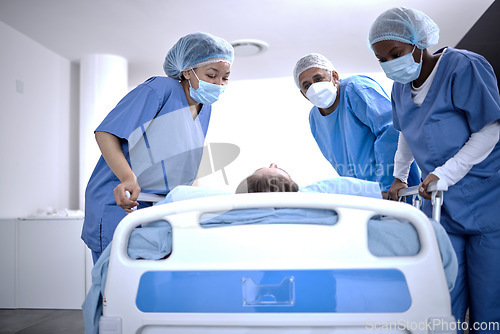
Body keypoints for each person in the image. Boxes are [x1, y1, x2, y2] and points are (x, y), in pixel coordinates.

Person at [368, 7, 500, 332]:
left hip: (487, 202)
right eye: (381, 59)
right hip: (441, 206)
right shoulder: (400, 89)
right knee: (444, 295)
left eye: (395, 54)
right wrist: (399, 176)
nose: (389, 65)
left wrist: (447, 173)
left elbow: (490, 128)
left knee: (489, 303)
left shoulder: (463, 67)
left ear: (418, 42)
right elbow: (406, 136)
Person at [82, 32, 234, 264]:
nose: (218, 84)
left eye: (225, 78)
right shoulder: (160, 89)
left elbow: (186, 161)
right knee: (114, 282)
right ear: (186, 71)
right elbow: (106, 133)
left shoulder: (205, 108)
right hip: (122, 198)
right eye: (211, 75)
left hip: (159, 205)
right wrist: (126, 177)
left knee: (147, 282)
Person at [293, 53, 420, 198]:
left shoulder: (356, 89)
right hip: (366, 196)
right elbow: (339, 162)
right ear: (303, 94)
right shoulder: (315, 119)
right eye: (307, 85)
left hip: (396, 188)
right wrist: (362, 194)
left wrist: (386, 186)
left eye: (318, 78)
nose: (314, 87)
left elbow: (391, 130)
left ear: (334, 76)